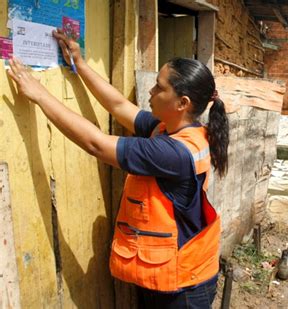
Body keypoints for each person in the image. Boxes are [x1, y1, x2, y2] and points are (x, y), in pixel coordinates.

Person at [7, 29, 229, 309]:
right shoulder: (174, 130)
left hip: (184, 285)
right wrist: (80, 63)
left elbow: (96, 144)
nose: (151, 90)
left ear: (182, 103)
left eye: (160, 87)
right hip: (178, 271)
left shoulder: (172, 152)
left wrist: (39, 94)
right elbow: (118, 105)